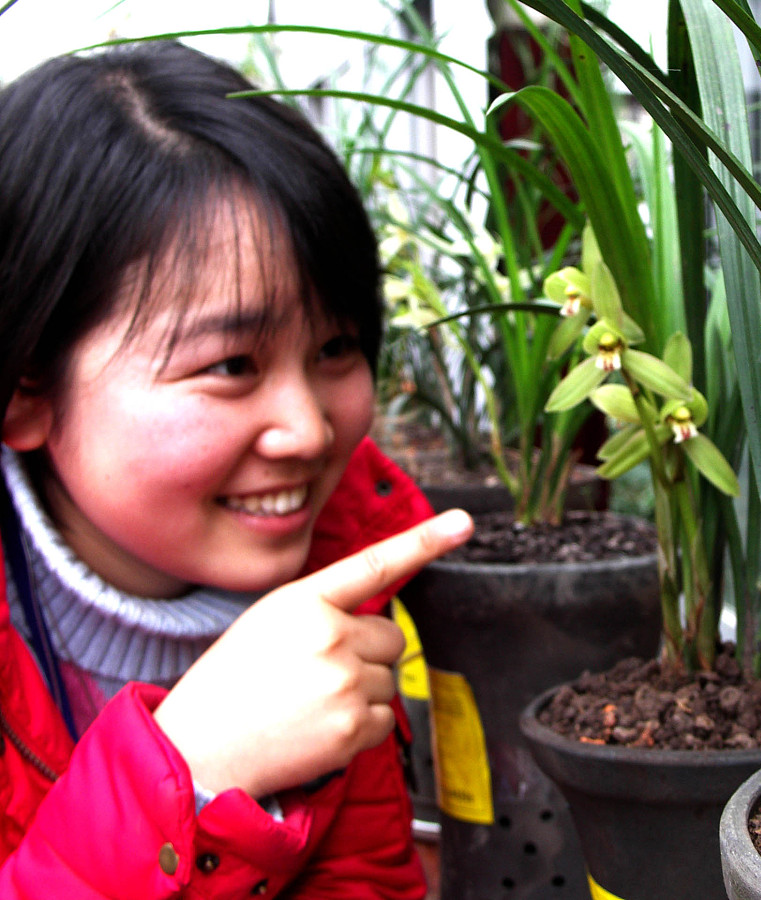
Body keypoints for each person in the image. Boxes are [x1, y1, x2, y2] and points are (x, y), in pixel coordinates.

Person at [0, 40, 473, 897]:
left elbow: (365, 879)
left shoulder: (338, 562)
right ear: (26, 386)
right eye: (230, 365)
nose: (308, 429)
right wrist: (187, 771)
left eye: (336, 347)